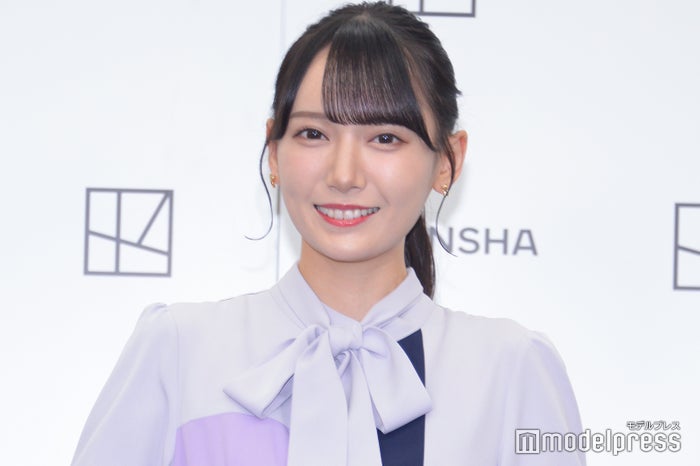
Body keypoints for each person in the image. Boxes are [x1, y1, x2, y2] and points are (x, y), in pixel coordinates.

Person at [72, 2, 585, 465]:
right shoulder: (180, 349)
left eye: (385, 137)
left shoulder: (511, 370)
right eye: (314, 133)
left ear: (447, 162)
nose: (344, 174)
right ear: (274, 152)